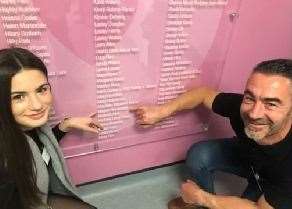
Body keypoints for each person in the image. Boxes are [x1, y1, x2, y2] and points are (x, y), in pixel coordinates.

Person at [131, 59, 292, 209]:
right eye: (250, 98)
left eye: (271, 104)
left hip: (276, 182)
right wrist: (161, 111)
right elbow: (204, 94)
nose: (254, 114)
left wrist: (202, 198)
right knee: (200, 154)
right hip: (251, 159)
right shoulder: (243, 107)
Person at [0, 47, 103, 209]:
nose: (37, 105)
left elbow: (41, 150)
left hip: (37, 197)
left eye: (41, 90)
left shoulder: (31, 130)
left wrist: (65, 125)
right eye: (18, 97)